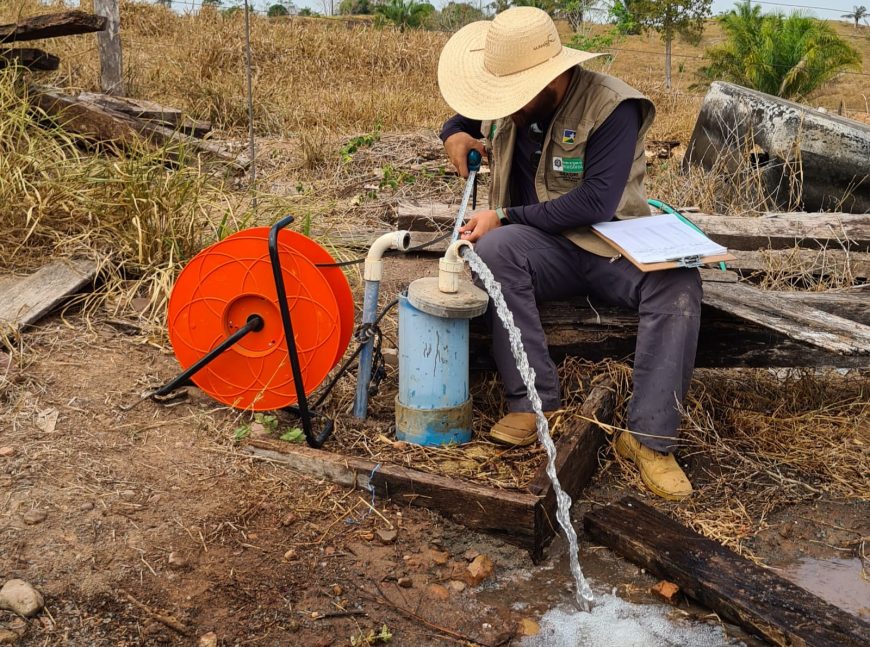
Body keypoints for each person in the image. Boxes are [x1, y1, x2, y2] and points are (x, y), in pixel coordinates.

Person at [437, 7, 702, 501]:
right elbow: (465, 113)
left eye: (516, 98)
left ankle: (648, 440)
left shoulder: (612, 106)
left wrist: (508, 215)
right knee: (493, 250)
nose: (506, 108)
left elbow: (595, 201)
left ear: (553, 78)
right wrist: (454, 132)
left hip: (608, 244)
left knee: (679, 283)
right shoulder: (512, 98)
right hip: (543, 249)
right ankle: (532, 404)